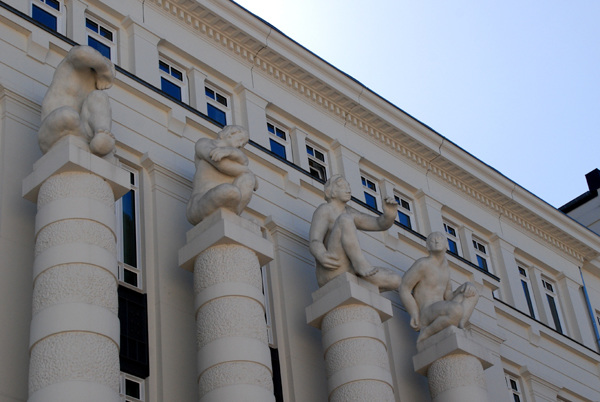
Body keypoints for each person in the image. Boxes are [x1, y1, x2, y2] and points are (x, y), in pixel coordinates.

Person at [309, 174, 402, 291]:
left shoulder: (349, 212)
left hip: (349, 269)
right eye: (343, 186)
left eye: (348, 186)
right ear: (331, 192)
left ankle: (360, 285)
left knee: (395, 280)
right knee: (345, 220)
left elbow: (379, 224)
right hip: (332, 267)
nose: (348, 190)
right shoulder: (325, 209)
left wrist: (390, 214)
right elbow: (314, 240)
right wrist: (321, 254)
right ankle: (360, 264)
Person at [399, 231, 479, 343]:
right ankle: (426, 332)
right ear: (427, 246)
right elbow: (404, 288)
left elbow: (448, 295)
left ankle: (459, 325)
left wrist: (467, 286)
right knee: (456, 309)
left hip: (442, 308)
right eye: (432, 239)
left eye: (440, 238)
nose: (436, 241)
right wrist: (414, 313)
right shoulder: (423, 264)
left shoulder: (445, 267)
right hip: (427, 312)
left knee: (473, 293)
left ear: (447, 245)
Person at [38, 45, 116, 156]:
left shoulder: (93, 89)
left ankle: (101, 134)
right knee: (68, 115)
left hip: (81, 130)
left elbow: (96, 108)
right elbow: (81, 52)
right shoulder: (72, 65)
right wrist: (105, 70)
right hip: (53, 128)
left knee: (99, 96)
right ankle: (92, 141)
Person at [186, 125, 258, 225]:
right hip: (199, 203)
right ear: (230, 134)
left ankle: (235, 215)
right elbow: (221, 164)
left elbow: (244, 161)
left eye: (243, 144)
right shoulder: (204, 143)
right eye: (240, 140)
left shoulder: (232, 155)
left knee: (248, 179)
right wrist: (248, 171)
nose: (241, 145)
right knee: (230, 191)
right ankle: (232, 215)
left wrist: (230, 151)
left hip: (225, 195)